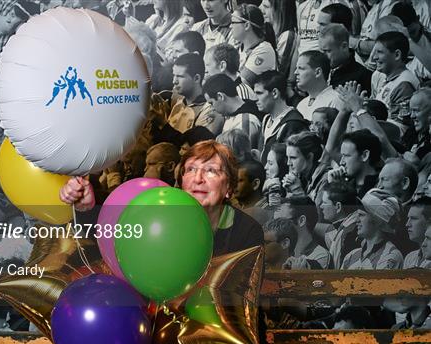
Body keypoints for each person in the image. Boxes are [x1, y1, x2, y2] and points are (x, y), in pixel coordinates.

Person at [60, 140, 264, 256]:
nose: (198, 179)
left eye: (211, 171)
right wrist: (85, 210)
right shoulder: (157, 215)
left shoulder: (247, 232)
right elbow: (105, 244)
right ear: (181, 180)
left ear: (229, 186)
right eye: (191, 170)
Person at [341, 188, 404, 270]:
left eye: (361, 215)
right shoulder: (351, 256)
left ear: (378, 221)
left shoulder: (391, 256)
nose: (356, 220)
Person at [254, 70, 308, 163]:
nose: (255, 98)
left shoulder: (293, 123)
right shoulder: (266, 119)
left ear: (274, 93)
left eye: (259, 93)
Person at [203, 73, 262, 148]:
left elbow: (241, 155)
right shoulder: (231, 115)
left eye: (211, 103)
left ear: (220, 96)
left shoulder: (245, 121)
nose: (212, 108)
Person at [274, 196, 332, 269]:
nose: (274, 229)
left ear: (301, 221)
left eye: (281, 222)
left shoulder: (320, 257)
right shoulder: (283, 252)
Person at [231, 4, 277, 87]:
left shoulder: (264, 50)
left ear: (247, 25)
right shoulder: (237, 47)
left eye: (233, 22)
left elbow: (241, 84)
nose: (230, 26)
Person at [319, 24, 372, 92]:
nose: (323, 55)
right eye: (321, 51)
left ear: (344, 46)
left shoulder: (363, 76)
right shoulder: (317, 70)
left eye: (327, 51)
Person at [295, 50, 343, 121]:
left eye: (301, 68)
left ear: (318, 72)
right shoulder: (301, 105)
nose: (295, 72)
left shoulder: (336, 100)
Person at [259, 0, 298, 78]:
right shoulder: (268, 32)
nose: (260, 9)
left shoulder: (287, 36)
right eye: (261, 4)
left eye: (266, 7)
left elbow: (279, 72)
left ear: (280, 11)